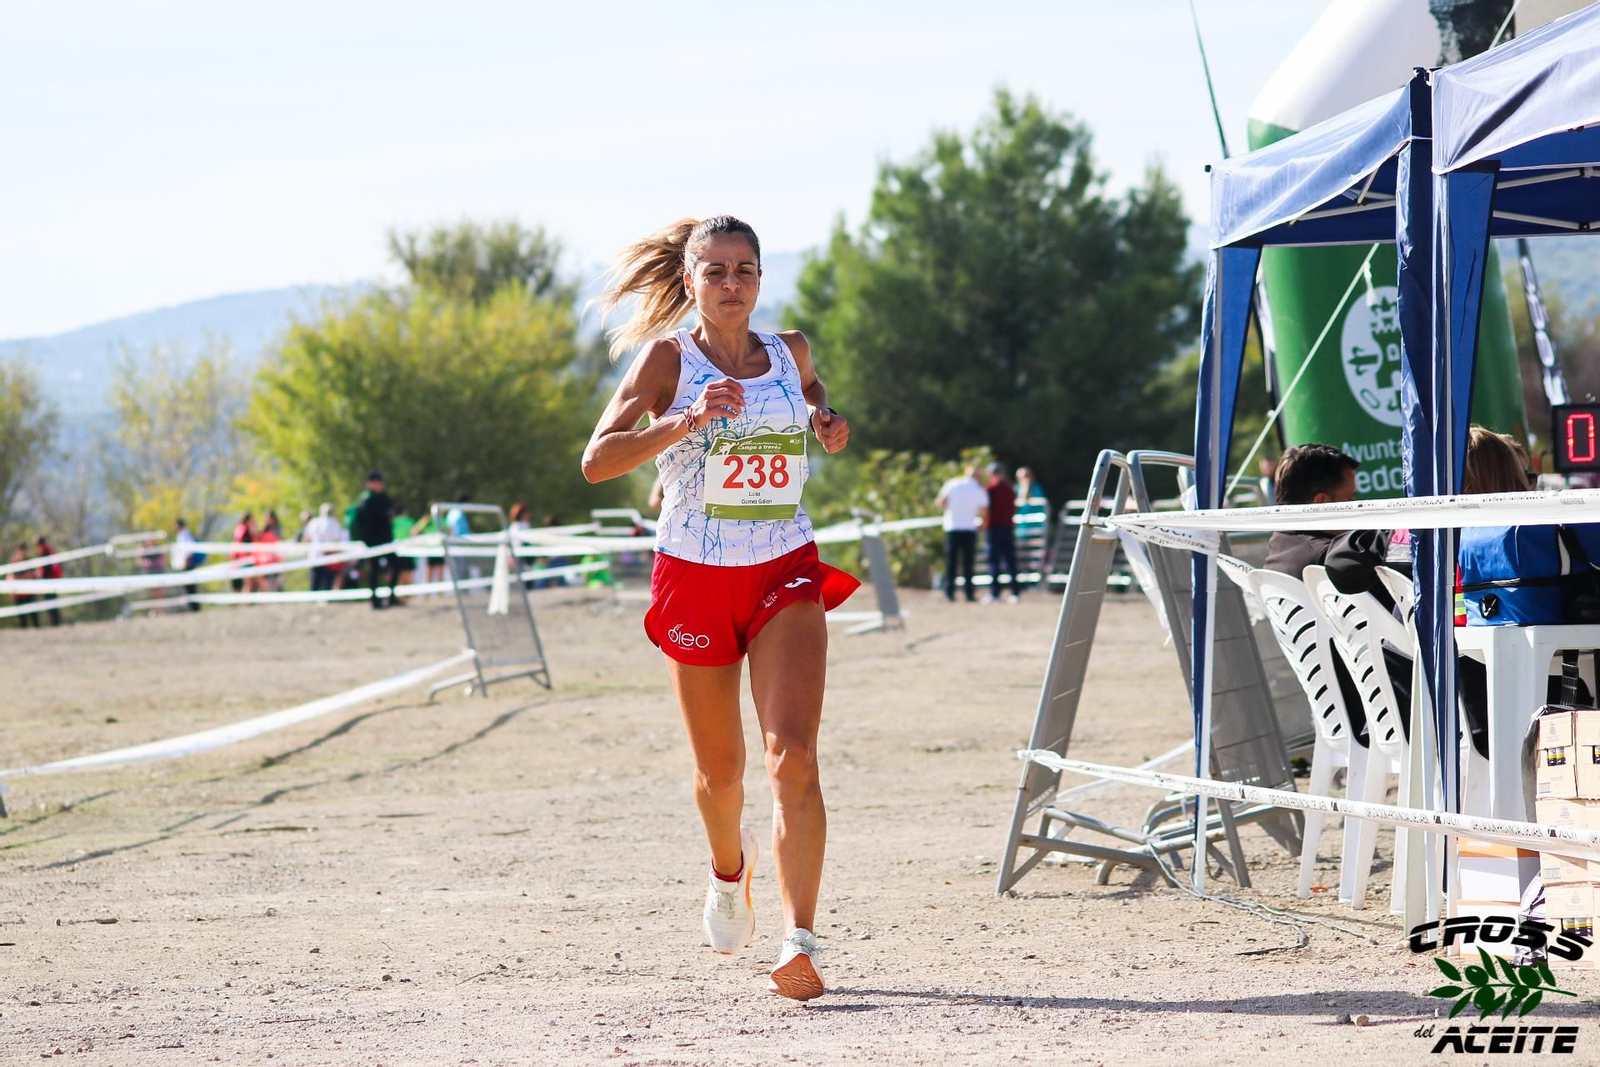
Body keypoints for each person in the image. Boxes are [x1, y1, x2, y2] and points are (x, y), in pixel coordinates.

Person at [582, 215, 859, 1001]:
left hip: (783, 569)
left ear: (761, 279)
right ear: (692, 279)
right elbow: (597, 459)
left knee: (793, 757)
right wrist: (686, 421)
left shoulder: (790, 351)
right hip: (696, 574)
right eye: (716, 272)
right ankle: (727, 870)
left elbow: (811, 400)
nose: (732, 284)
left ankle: (798, 939)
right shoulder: (667, 359)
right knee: (721, 773)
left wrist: (824, 425)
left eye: (745, 270)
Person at [936, 462, 988, 603]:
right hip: (969, 529)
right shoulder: (977, 489)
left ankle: (949, 592)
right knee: (968, 563)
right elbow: (985, 510)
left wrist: (953, 509)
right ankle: (969, 593)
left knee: (951, 563)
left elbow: (940, 501)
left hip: (952, 527)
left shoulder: (953, 484)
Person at [351, 470, 398, 608]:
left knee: (395, 565)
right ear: (371, 484)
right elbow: (364, 522)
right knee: (374, 570)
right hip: (373, 541)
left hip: (386, 540)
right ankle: (374, 600)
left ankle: (391, 597)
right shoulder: (366, 500)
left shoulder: (384, 498)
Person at [983, 462, 1019, 603]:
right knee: (1011, 560)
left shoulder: (990, 489)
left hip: (994, 528)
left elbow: (986, 509)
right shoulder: (1010, 488)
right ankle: (1015, 592)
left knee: (994, 561)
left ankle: (995, 593)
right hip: (1008, 527)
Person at [303, 503, 346, 593]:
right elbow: (337, 539)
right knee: (326, 582)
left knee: (315, 581)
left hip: (316, 555)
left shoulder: (314, 522)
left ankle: (313, 600)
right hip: (327, 556)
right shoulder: (334, 524)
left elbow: (306, 538)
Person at [172, 518, 205, 611]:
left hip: (188, 564)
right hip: (186, 564)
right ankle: (193, 607)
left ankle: (194, 608)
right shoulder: (183, 535)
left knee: (190, 587)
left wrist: (186, 563)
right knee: (190, 587)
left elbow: (188, 550)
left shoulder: (184, 535)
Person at [33, 535, 64, 626]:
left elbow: (46, 568)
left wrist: (40, 576)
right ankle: (55, 622)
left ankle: (55, 622)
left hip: (48, 580)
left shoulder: (44, 551)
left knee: (50, 602)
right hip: (52, 580)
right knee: (53, 601)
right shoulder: (49, 550)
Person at [9, 542, 39, 628]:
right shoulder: (14, 562)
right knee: (22, 620)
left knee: (34, 617)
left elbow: (33, 575)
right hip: (19, 594)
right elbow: (14, 576)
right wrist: (26, 576)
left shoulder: (29, 561)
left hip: (29, 593)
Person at [230, 512, 256, 593]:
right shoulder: (244, 530)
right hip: (243, 558)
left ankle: (246, 599)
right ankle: (245, 600)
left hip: (242, 557)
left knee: (247, 579)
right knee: (246, 580)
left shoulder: (240, 529)